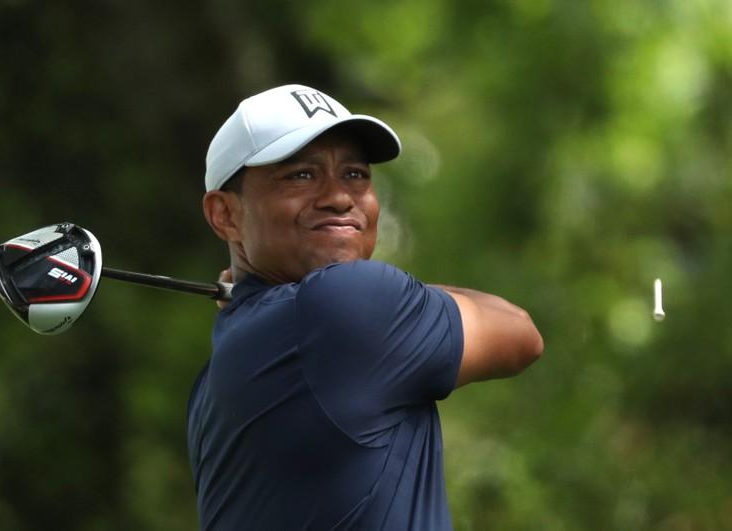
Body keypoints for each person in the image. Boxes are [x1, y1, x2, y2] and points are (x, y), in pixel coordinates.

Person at [187, 84, 543, 530]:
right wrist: (392, 300)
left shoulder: (212, 379)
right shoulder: (345, 305)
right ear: (225, 214)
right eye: (301, 175)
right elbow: (521, 331)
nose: (339, 196)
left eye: (355, 173)